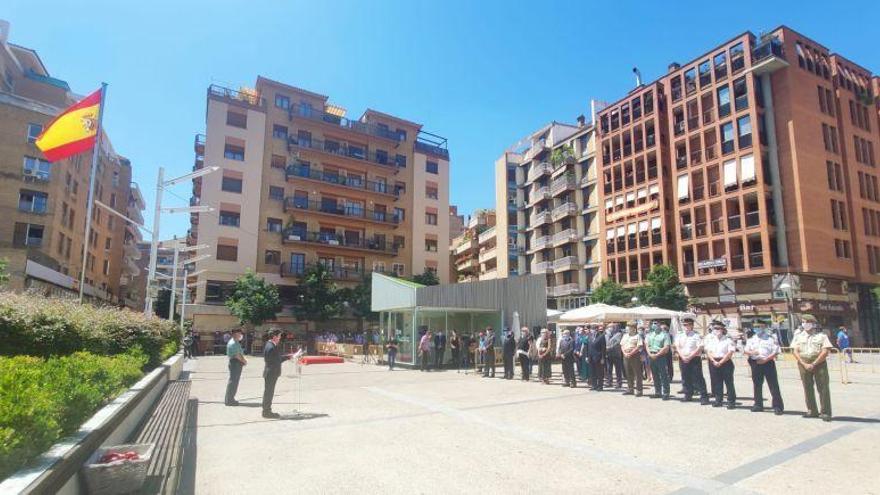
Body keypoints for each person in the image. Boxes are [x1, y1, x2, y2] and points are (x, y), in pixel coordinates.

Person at [792, 315, 833, 421]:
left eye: (806, 322)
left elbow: (825, 351)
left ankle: (825, 412)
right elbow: (795, 351)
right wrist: (803, 363)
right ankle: (812, 410)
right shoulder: (799, 336)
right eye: (802, 322)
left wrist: (814, 363)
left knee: (823, 388)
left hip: (819, 363)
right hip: (803, 363)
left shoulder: (822, 336)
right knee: (807, 388)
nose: (803, 324)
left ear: (812, 323)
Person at [744, 321, 784, 415]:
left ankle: (778, 406)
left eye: (759, 326)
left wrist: (766, 360)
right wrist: (751, 353)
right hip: (755, 363)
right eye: (755, 326)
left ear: (764, 327)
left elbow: (776, 351)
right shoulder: (751, 339)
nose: (757, 328)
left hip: (768, 363)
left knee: (773, 385)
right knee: (757, 385)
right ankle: (758, 404)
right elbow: (746, 350)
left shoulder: (771, 338)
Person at [676, 317, 709, 405]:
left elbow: (699, 348)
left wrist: (690, 356)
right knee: (685, 377)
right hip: (683, 358)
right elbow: (677, 347)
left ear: (692, 325)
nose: (686, 327)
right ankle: (688, 394)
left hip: (694, 359)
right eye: (685, 325)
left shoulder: (696, 335)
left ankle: (704, 397)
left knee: (698, 377)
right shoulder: (680, 335)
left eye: (688, 325)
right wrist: (682, 356)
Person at [705, 320, 736, 409]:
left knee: (729, 383)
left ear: (723, 329)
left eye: (718, 328)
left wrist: (721, 362)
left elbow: (730, 353)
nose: (716, 330)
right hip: (714, 361)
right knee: (717, 382)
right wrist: (713, 361)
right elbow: (708, 351)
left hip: (725, 362)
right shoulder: (711, 340)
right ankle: (718, 400)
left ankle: (731, 401)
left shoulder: (728, 340)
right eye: (714, 328)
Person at [262, 329, 292, 418]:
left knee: (268, 392)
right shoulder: (271, 347)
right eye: (279, 336)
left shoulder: (270, 344)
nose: (280, 338)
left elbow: (276, 358)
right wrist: (287, 357)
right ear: (274, 337)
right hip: (271, 373)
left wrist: (287, 357)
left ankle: (266, 410)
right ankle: (267, 412)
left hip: (270, 372)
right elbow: (276, 360)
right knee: (269, 393)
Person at [646, 322, 671, 399]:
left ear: (659, 325)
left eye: (656, 323)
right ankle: (658, 392)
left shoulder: (665, 335)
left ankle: (666, 393)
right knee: (655, 375)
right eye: (653, 324)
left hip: (660, 356)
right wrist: (650, 354)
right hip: (651, 355)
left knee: (663, 375)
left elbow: (666, 347)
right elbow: (647, 345)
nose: (654, 325)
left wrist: (657, 355)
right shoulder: (650, 334)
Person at [620, 321, 643, 397]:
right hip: (626, 355)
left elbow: (639, 346)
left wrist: (631, 353)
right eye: (628, 327)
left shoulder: (637, 336)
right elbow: (622, 345)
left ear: (634, 328)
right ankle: (630, 389)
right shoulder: (625, 335)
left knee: (637, 373)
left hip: (634, 355)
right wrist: (625, 353)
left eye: (630, 327)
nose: (628, 328)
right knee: (628, 373)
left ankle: (639, 390)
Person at [225, 328, 247, 406]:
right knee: (233, 382)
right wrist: (244, 361)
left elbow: (239, 353)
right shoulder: (233, 343)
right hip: (235, 363)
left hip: (236, 362)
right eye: (239, 333)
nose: (241, 335)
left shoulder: (235, 342)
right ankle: (229, 400)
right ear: (235, 334)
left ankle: (231, 399)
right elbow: (237, 355)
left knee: (234, 381)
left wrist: (242, 360)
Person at [588, 325, 606, 391]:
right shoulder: (590, 336)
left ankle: (600, 386)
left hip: (598, 357)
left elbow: (603, 348)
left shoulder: (601, 336)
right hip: (591, 357)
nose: (592, 330)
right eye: (591, 329)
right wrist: (588, 356)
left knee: (599, 373)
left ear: (596, 329)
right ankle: (594, 385)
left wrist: (603, 358)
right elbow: (588, 347)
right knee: (592, 372)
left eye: (593, 329)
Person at [605, 324, 624, 389]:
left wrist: (609, 347)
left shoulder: (619, 334)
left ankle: (619, 383)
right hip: (608, 354)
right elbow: (605, 342)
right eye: (608, 327)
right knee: (609, 369)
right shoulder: (607, 335)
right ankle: (609, 382)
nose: (610, 328)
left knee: (618, 370)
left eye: (611, 327)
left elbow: (617, 343)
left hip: (616, 354)